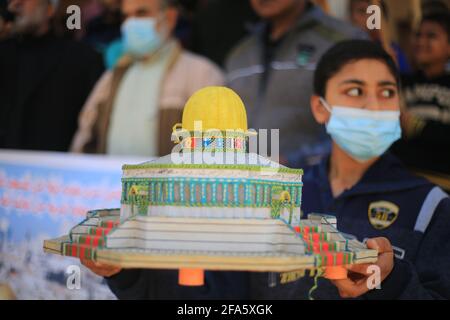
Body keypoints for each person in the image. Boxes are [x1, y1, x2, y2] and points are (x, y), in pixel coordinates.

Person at [249, 40, 450, 299]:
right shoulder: (283, 190)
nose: (374, 106)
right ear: (320, 108)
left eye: (387, 92)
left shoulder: (430, 207)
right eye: (355, 91)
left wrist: (390, 281)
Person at [70, 0, 224, 158]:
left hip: (171, 182)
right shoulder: (111, 77)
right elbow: (83, 143)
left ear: (170, 18)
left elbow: (217, 153)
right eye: (126, 16)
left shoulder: (203, 74)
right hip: (110, 182)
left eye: (141, 13)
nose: (130, 23)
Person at [225, 0, 367, 168]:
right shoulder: (239, 55)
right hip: (248, 187)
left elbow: (363, 132)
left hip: (316, 186)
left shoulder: (344, 42)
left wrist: (291, 162)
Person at [0, 0, 104, 152]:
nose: (14, 5)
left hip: (59, 171)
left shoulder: (82, 59)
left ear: (49, 8)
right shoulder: (4, 55)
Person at [391, 13, 450, 176]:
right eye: (418, 35)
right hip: (404, 177)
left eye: (431, 36)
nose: (421, 41)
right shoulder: (401, 82)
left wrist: (419, 127)